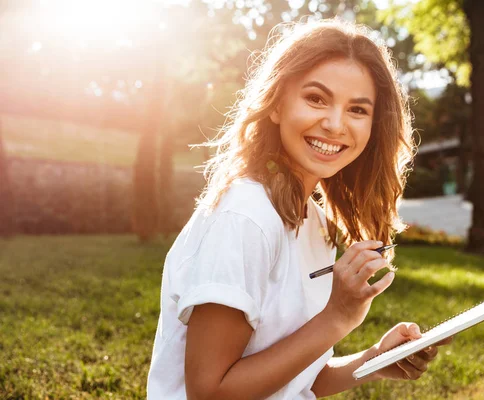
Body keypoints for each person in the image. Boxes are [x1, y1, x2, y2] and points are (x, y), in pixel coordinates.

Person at [147, 18, 451, 399]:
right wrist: (336, 318)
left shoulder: (313, 222)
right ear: (276, 104)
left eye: (357, 110)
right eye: (316, 99)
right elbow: (209, 393)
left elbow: (299, 379)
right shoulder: (245, 215)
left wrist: (374, 360)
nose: (335, 124)